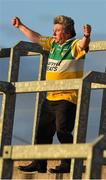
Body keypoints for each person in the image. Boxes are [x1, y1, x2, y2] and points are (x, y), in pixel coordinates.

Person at [11, 15, 91, 173]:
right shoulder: (53, 44)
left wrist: (87, 36)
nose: (53, 32)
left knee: (62, 131)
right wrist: (20, 26)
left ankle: (68, 164)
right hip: (50, 97)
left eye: (57, 30)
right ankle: (39, 164)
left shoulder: (73, 45)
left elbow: (83, 45)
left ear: (67, 33)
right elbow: (36, 37)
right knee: (42, 132)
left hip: (67, 97)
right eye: (54, 29)